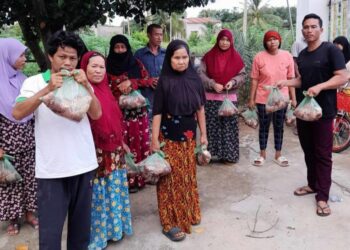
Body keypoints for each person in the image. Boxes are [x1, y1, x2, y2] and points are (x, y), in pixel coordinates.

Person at [12, 30, 102, 250]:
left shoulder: (81, 80)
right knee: (50, 237)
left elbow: (97, 114)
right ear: (51, 56)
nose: (68, 63)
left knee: (81, 235)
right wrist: (48, 88)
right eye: (62, 57)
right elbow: (17, 112)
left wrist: (86, 88)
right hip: (52, 171)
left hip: (84, 165)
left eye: (73, 58)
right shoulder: (34, 82)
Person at [277, 14, 348, 216]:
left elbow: (343, 76)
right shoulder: (304, 55)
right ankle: (312, 184)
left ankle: (323, 197)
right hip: (304, 111)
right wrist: (286, 83)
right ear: (302, 31)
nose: (309, 30)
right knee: (308, 150)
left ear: (321, 30)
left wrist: (321, 86)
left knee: (323, 155)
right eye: (306, 27)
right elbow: (303, 82)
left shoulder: (331, 50)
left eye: (313, 26)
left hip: (324, 112)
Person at [151, 40, 207, 242]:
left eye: (184, 57)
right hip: (168, 138)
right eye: (177, 58)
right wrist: (154, 140)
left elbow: (200, 109)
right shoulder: (164, 82)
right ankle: (169, 222)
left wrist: (204, 136)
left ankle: (188, 212)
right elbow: (156, 112)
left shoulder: (195, 80)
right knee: (169, 179)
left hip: (189, 138)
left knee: (187, 176)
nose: (181, 61)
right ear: (169, 59)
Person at [80, 51, 132, 249]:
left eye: (102, 67)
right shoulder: (81, 89)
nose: (98, 70)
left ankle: (115, 230)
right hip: (95, 150)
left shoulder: (106, 89)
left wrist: (122, 142)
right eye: (93, 66)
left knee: (114, 188)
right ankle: (100, 235)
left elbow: (114, 119)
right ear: (84, 67)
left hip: (114, 149)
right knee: (99, 193)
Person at [0, 38, 38, 236]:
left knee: (30, 178)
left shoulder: (24, 80)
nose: (24, 58)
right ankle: (13, 219)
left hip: (27, 138)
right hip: (5, 142)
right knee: (10, 181)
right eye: (20, 55)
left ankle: (31, 214)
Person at [107, 34, 153, 193]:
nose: (120, 50)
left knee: (140, 143)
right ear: (112, 49)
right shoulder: (106, 66)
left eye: (123, 47)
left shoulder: (136, 64)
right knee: (123, 144)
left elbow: (148, 80)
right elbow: (103, 87)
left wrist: (132, 83)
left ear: (127, 48)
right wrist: (117, 89)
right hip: (118, 113)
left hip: (138, 112)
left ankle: (140, 178)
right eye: (117, 47)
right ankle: (126, 180)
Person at [248, 30, 296, 167]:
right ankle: (262, 154)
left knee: (279, 126)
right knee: (263, 126)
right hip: (263, 98)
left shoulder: (287, 56)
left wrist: (293, 98)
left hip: (282, 99)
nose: (272, 41)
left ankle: (278, 154)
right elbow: (254, 80)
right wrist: (251, 99)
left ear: (279, 40)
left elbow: (291, 78)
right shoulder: (259, 57)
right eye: (269, 39)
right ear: (265, 42)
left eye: (275, 39)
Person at [199, 29, 246, 164]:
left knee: (229, 128)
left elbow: (242, 75)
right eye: (222, 39)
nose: (224, 43)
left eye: (227, 40)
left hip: (229, 99)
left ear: (231, 42)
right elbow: (200, 74)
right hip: (211, 98)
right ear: (218, 40)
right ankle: (209, 155)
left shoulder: (236, 57)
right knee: (211, 127)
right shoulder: (208, 56)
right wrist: (212, 84)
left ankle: (229, 156)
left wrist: (233, 82)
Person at [134, 24, 166, 117]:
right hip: (145, 97)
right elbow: (133, 77)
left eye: (161, 34)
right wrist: (148, 82)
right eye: (156, 34)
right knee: (147, 126)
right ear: (148, 35)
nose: (159, 37)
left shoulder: (166, 54)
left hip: (164, 96)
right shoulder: (139, 55)